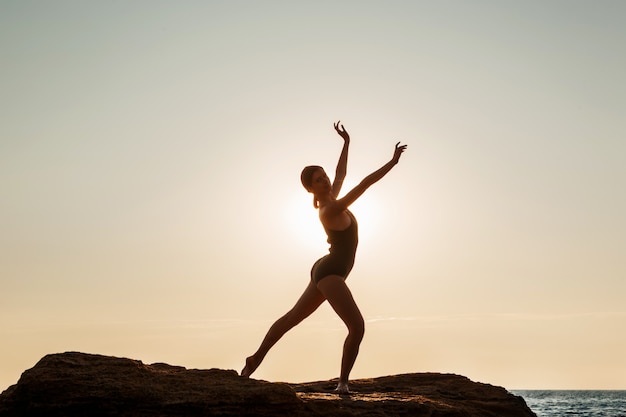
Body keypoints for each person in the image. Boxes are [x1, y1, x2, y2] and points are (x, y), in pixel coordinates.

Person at [241, 121, 407, 394]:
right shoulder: (329, 209)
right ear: (311, 189)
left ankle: (254, 358)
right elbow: (364, 184)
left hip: (325, 267)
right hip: (330, 273)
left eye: (324, 176)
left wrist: (346, 143)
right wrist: (392, 163)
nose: (326, 179)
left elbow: (341, 173)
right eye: (319, 179)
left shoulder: (332, 197)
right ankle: (343, 383)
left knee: (292, 318)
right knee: (357, 326)